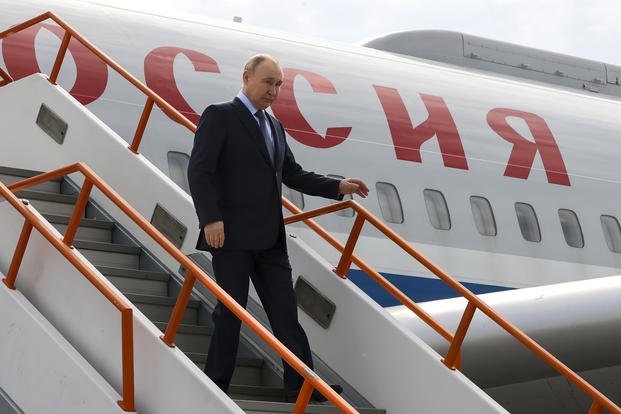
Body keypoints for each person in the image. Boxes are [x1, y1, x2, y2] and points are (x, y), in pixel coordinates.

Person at [187, 53, 369, 401]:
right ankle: (216, 385)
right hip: (231, 237)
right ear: (246, 78)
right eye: (268, 82)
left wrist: (337, 186)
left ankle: (301, 383)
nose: (274, 90)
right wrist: (211, 219)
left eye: (279, 85)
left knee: (285, 312)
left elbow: (292, 173)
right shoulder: (221, 116)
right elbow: (200, 171)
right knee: (231, 312)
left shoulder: (274, 126)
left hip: (270, 239)